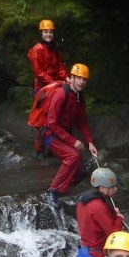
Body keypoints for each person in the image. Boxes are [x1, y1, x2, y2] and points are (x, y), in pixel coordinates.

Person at [34, 62, 98, 203]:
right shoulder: (60, 94)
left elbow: (82, 122)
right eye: (78, 78)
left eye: (84, 79)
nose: (81, 82)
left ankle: (65, 186)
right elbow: (51, 124)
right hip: (49, 135)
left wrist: (90, 142)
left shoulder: (79, 98)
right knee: (72, 156)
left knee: (81, 171)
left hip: (62, 134)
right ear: (72, 78)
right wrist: (73, 141)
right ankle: (52, 191)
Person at [75, 167, 124, 257]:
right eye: (112, 186)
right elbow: (114, 234)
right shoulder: (98, 206)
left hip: (86, 252)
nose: (116, 189)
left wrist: (113, 213)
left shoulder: (82, 201)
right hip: (97, 255)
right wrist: (119, 218)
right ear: (102, 188)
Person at [26, 19, 67, 95]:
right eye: (46, 32)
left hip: (56, 82)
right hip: (42, 85)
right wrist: (54, 83)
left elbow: (60, 67)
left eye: (51, 32)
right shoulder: (36, 49)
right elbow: (39, 72)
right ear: (41, 34)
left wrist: (66, 78)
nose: (48, 34)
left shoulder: (55, 49)